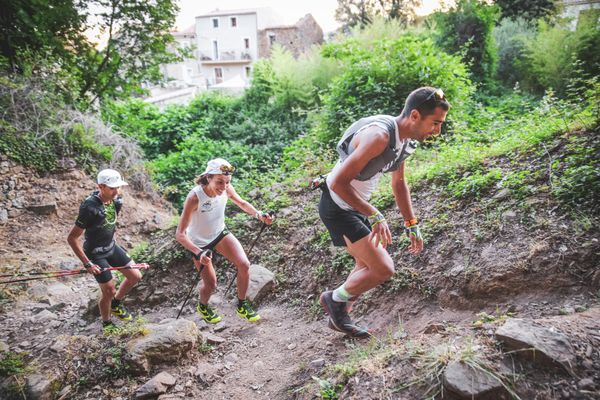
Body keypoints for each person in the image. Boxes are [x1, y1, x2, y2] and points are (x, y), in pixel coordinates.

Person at [318, 87, 450, 337]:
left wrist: (411, 223)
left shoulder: (407, 142)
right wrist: (375, 214)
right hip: (338, 205)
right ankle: (334, 300)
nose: (437, 131)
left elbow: (399, 184)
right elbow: (337, 183)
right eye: (435, 123)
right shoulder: (379, 136)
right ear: (414, 116)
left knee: (365, 266)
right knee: (383, 269)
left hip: (355, 205)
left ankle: (339, 317)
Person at [175, 158, 273, 324]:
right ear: (208, 178)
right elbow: (180, 234)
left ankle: (242, 304)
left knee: (244, 264)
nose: (224, 187)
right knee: (211, 284)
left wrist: (259, 215)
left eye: (227, 182)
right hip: (198, 244)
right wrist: (198, 253)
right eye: (219, 182)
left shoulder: (227, 188)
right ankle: (203, 306)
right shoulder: (195, 197)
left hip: (219, 233)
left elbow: (241, 202)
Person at [67, 169, 142, 331]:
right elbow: (72, 239)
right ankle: (107, 323)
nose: (117, 191)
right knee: (109, 290)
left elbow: (108, 224)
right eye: (112, 188)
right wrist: (88, 264)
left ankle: (116, 303)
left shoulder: (116, 201)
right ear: (101, 186)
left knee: (135, 275)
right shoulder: (89, 207)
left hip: (111, 247)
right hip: (95, 253)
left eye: (119, 187)